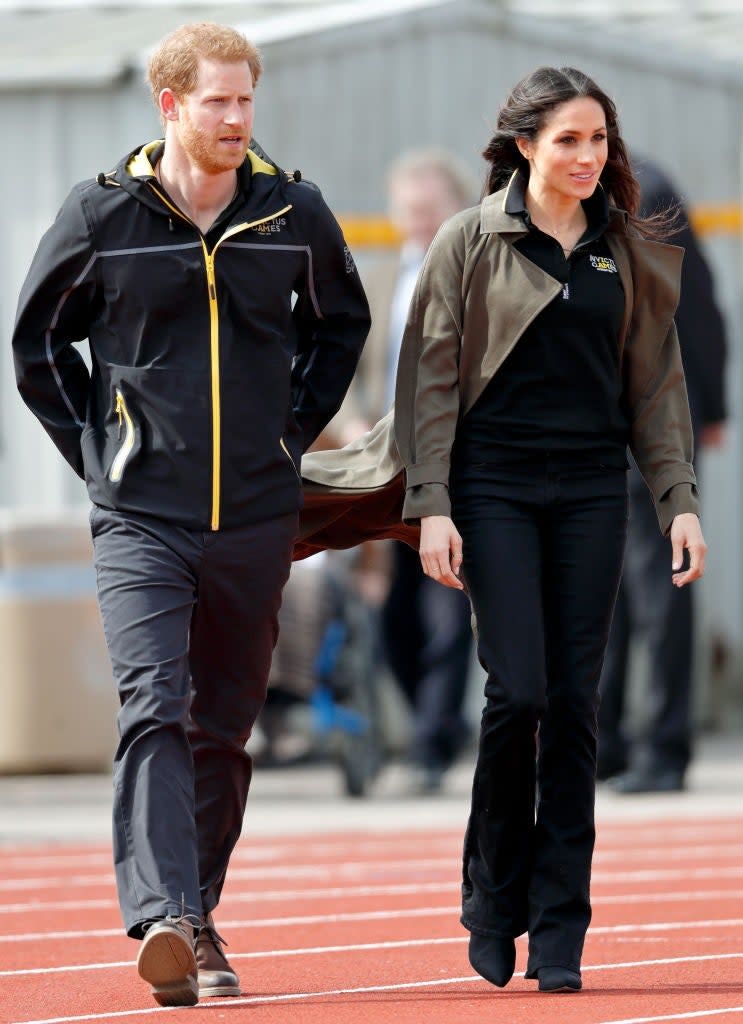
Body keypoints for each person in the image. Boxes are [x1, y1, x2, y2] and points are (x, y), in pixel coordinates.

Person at [296, 65, 706, 993]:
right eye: (567, 140)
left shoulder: (626, 247)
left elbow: (657, 385)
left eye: (598, 140)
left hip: (595, 492)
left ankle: (559, 924)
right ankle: (492, 894)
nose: (586, 157)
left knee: (575, 707)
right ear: (523, 146)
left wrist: (677, 500)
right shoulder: (467, 240)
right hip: (493, 490)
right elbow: (428, 381)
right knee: (516, 691)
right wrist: (430, 505)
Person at [12, 22, 369, 1008]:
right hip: (141, 514)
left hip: (257, 515)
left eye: (246, 99)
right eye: (216, 100)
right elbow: (37, 346)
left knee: (223, 726)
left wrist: (291, 432)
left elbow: (341, 326)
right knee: (154, 705)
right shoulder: (102, 214)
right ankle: (166, 912)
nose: (235, 117)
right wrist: (99, 453)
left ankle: (197, 912)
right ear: (169, 104)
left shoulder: (291, 212)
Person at [333, 149, 478, 792]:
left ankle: (427, 745)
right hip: (389, 467)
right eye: (411, 210)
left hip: (459, 462)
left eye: (432, 210)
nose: (421, 222)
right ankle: (437, 725)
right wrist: (355, 427)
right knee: (391, 611)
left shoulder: (481, 275)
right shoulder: (383, 278)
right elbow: (356, 373)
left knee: (448, 608)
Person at [598, 157, 727, 792]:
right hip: (605, 414)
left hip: (649, 411)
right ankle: (617, 746)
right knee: (612, 586)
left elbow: (695, 307)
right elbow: (703, 305)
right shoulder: (623, 184)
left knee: (654, 581)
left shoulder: (641, 189)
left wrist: (711, 406)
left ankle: (660, 748)